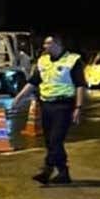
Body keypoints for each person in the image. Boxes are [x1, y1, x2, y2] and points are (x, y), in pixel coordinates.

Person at [10, 34, 88, 184]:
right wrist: (19, 98)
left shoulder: (72, 61)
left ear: (58, 45)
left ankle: (47, 170)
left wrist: (78, 107)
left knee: (55, 139)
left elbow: (80, 85)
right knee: (50, 141)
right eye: (45, 44)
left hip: (64, 105)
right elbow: (33, 82)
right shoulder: (43, 61)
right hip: (46, 105)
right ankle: (63, 174)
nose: (45, 46)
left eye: (48, 44)